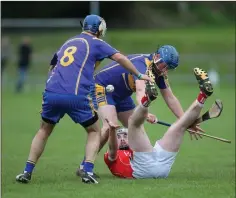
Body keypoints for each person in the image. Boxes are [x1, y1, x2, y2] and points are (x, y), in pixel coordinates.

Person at [16, 14, 151, 184]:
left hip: (51, 93)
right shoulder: (96, 42)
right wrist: (139, 74)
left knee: (44, 130)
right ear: (99, 29)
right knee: (94, 131)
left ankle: (27, 172)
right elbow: (120, 58)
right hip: (76, 95)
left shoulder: (69, 42)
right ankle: (87, 171)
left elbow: (52, 66)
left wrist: (51, 92)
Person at [78, 45, 204, 174]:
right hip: (102, 88)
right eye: (163, 65)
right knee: (109, 126)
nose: (164, 71)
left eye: (168, 68)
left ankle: (142, 165)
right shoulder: (142, 64)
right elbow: (140, 90)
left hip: (122, 95)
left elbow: (170, 98)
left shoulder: (159, 72)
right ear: (156, 57)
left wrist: (185, 122)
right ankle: (85, 166)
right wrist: (145, 111)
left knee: (137, 128)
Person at [104, 67, 213, 179]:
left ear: (129, 138)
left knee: (179, 126)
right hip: (142, 168)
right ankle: (146, 100)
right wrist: (112, 131)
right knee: (132, 122)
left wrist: (145, 116)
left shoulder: (133, 147)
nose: (122, 139)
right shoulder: (112, 155)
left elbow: (138, 134)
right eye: (119, 136)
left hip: (162, 164)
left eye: (125, 135)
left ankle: (202, 96)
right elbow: (112, 148)